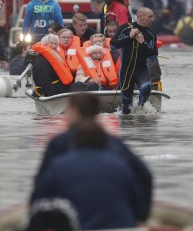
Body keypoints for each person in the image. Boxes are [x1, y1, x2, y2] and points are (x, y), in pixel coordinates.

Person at [32, 93, 152, 222]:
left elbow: (41, 189)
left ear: (74, 111)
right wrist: (141, 216)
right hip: (118, 221)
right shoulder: (115, 144)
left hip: (73, 223)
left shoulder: (58, 145)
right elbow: (144, 176)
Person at [110, 7, 157, 114]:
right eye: (150, 17)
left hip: (142, 70)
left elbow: (153, 56)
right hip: (126, 71)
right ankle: (127, 123)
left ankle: (139, 108)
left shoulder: (151, 33)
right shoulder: (125, 28)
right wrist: (129, 37)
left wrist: (142, 42)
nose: (152, 19)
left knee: (146, 88)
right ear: (140, 16)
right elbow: (112, 45)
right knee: (126, 105)